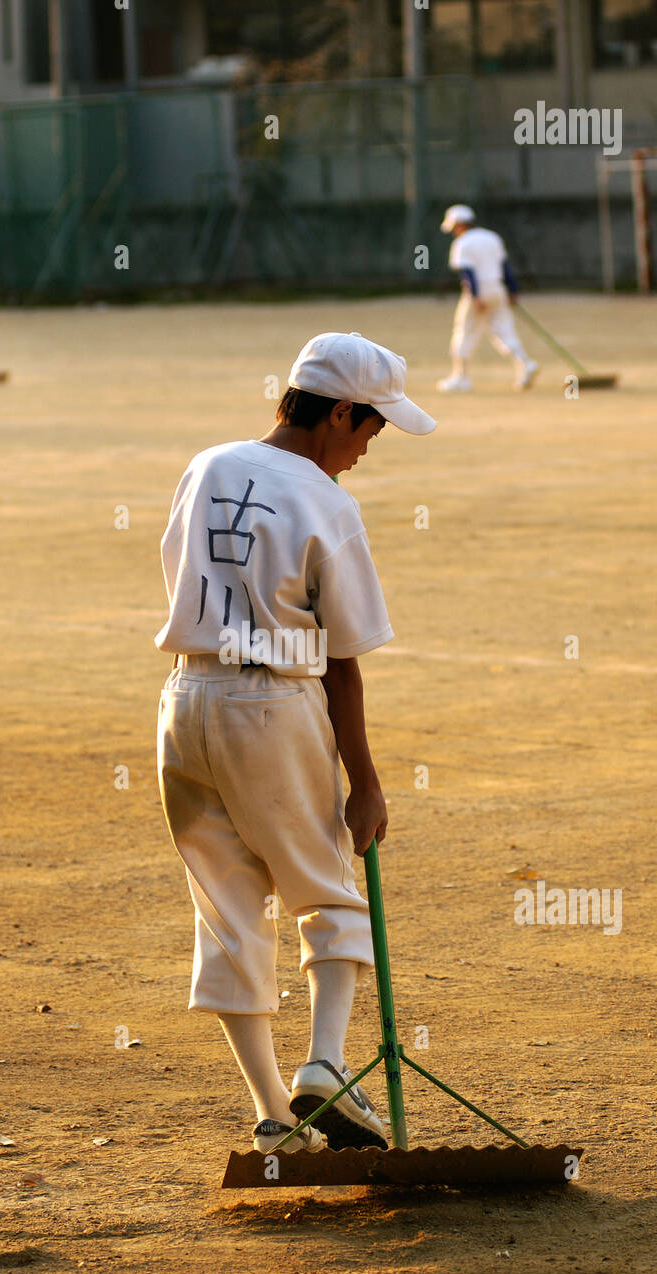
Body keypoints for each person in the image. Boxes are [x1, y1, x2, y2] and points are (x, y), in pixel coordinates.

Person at [154, 331, 436, 1155]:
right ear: (340, 412)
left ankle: (274, 1114)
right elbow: (341, 664)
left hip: (183, 701)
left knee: (229, 911)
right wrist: (368, 783)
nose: (365, 452)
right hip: (271, 706)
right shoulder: (327, 501)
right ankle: (325, 1068)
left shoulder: (206, 465)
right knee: (330, 891)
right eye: (371, 430)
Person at [437, 203, 538, 393]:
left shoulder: (462, 243)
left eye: (453, 227)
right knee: (503, 329)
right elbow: (505, 266)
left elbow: (468, 272)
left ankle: (461, 377)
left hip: (479, 291)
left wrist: (476, 296)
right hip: (498, 288)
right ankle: (525, 363)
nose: (453, 232)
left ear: (459, 224)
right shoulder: (492, 237)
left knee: (465, 330)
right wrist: (512, 290)